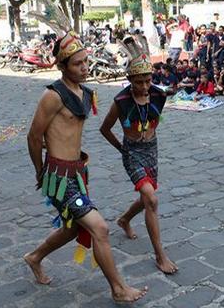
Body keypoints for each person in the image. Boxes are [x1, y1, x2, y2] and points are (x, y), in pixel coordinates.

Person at [25, 32, 147, 303]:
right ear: (62, 66)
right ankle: (118, 289)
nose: (84, 67)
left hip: (78, 172)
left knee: (73, 228)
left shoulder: (85, 93)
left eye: (85, 61)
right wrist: (39, 171)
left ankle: (34, 257)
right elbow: (34, 136)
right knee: (99, 228)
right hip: (58, 176)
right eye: (77, 63)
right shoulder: (52, 95)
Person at [100, 35, 177, 276]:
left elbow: (154, 120)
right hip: (131, 152)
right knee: (152, 200)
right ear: (129, 79)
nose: (145, 87)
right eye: (139, 82)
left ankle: (124, 219)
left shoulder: (158, 95)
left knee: (148, 196)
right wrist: (123, 149)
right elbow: (105, 128)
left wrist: (148, 136)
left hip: (151, 150)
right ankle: (160, 255)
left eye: (148, 80)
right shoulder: (121, 101)